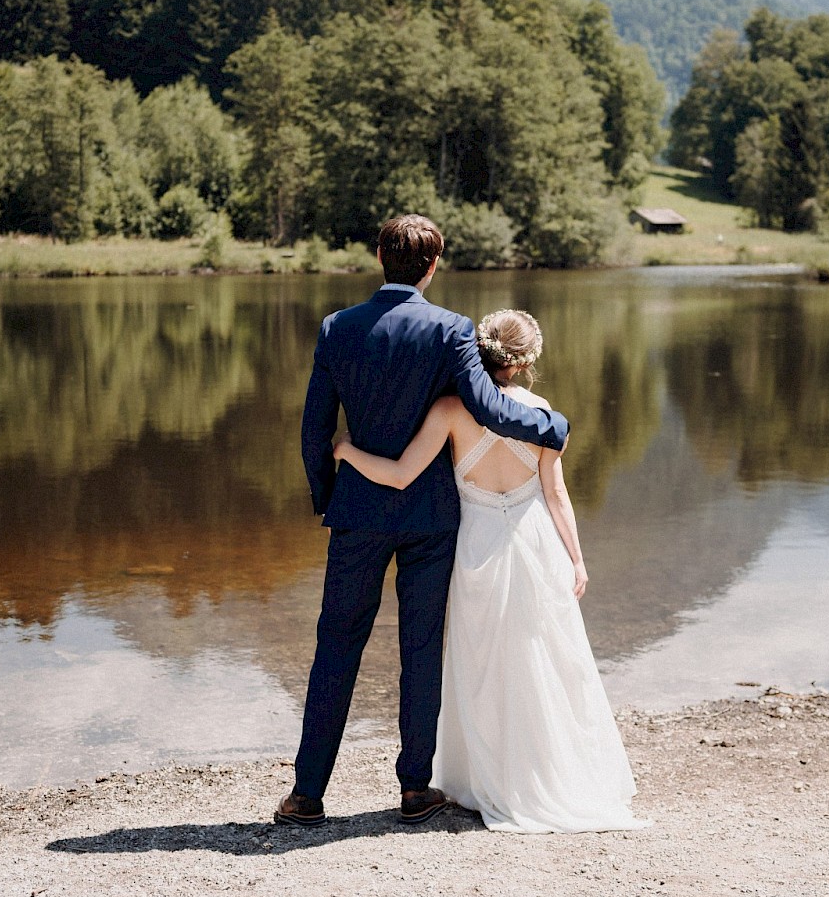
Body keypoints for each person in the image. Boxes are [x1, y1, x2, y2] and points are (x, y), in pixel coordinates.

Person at [275, 215, 569, 828]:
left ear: (379, 254)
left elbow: (313, 431)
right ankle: (414, 789)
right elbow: (488, 408)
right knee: (420, 649)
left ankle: (307, 795)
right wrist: (553, 429)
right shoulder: (451, 331)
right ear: (433, 267)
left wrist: (327, 497)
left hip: (356, 511)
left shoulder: (337, 329)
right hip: (430, 517)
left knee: (336, 647)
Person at [334, 308, 644, 834]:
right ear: (525, 363)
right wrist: (576, 557)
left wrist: (345, 450)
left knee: (482, 665)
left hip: (477, 547)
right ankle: (546, 775)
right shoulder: (541, 413)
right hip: (535, 543)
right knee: (543, 660)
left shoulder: (451, 410)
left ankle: (488, 778)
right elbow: (556, 495)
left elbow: (401, 475)